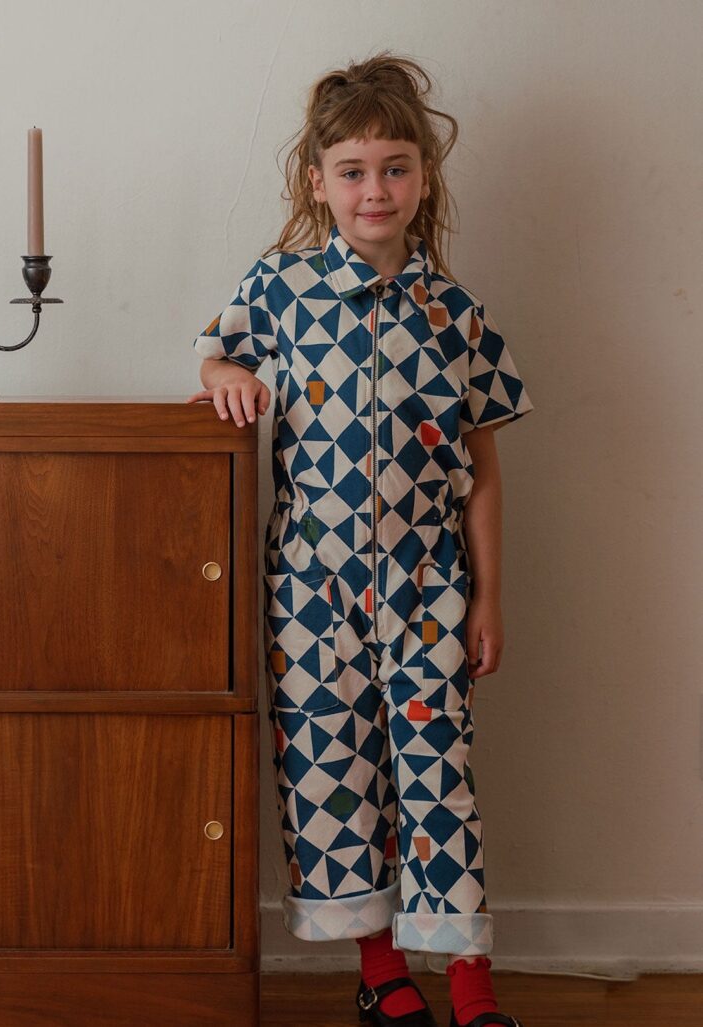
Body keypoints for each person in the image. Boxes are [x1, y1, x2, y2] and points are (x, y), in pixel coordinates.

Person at [187, 50, 531, 1027]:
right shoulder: (284, 288)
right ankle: (382, 976)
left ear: (424, 178)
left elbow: (486, 470)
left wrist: (491, 601)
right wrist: (224, 376)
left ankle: (472, 989)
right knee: (332, 775)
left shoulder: (456, 316)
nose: (373, 187)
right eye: (352, 169)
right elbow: (216, 346)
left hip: (432, 591)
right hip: (309, 591)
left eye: (393, 167)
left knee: (436, 781)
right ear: (318, 181)